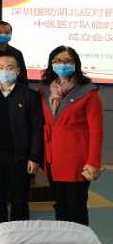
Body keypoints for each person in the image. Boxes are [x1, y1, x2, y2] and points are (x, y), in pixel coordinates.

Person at [38, 46, 103, 225]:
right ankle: (63, 238)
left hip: (77, 161)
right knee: (60, 205)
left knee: (76, 206)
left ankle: (80, 241)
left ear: (76, 64)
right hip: (53, 159)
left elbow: (96, 131)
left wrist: (93, 162)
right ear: (51, 64)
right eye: (58, 61)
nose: (63, 64)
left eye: (68, 61)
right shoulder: (44, 90)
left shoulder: (88, 92)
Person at [0, 55, 43, 225]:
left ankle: (19, 234)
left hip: (19, 157)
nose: (4, 71)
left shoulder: (29, 95)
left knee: (19, 200)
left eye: (9, 67)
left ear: (17, 71)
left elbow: (37, 128)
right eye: (0, 67)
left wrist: (34, 157)